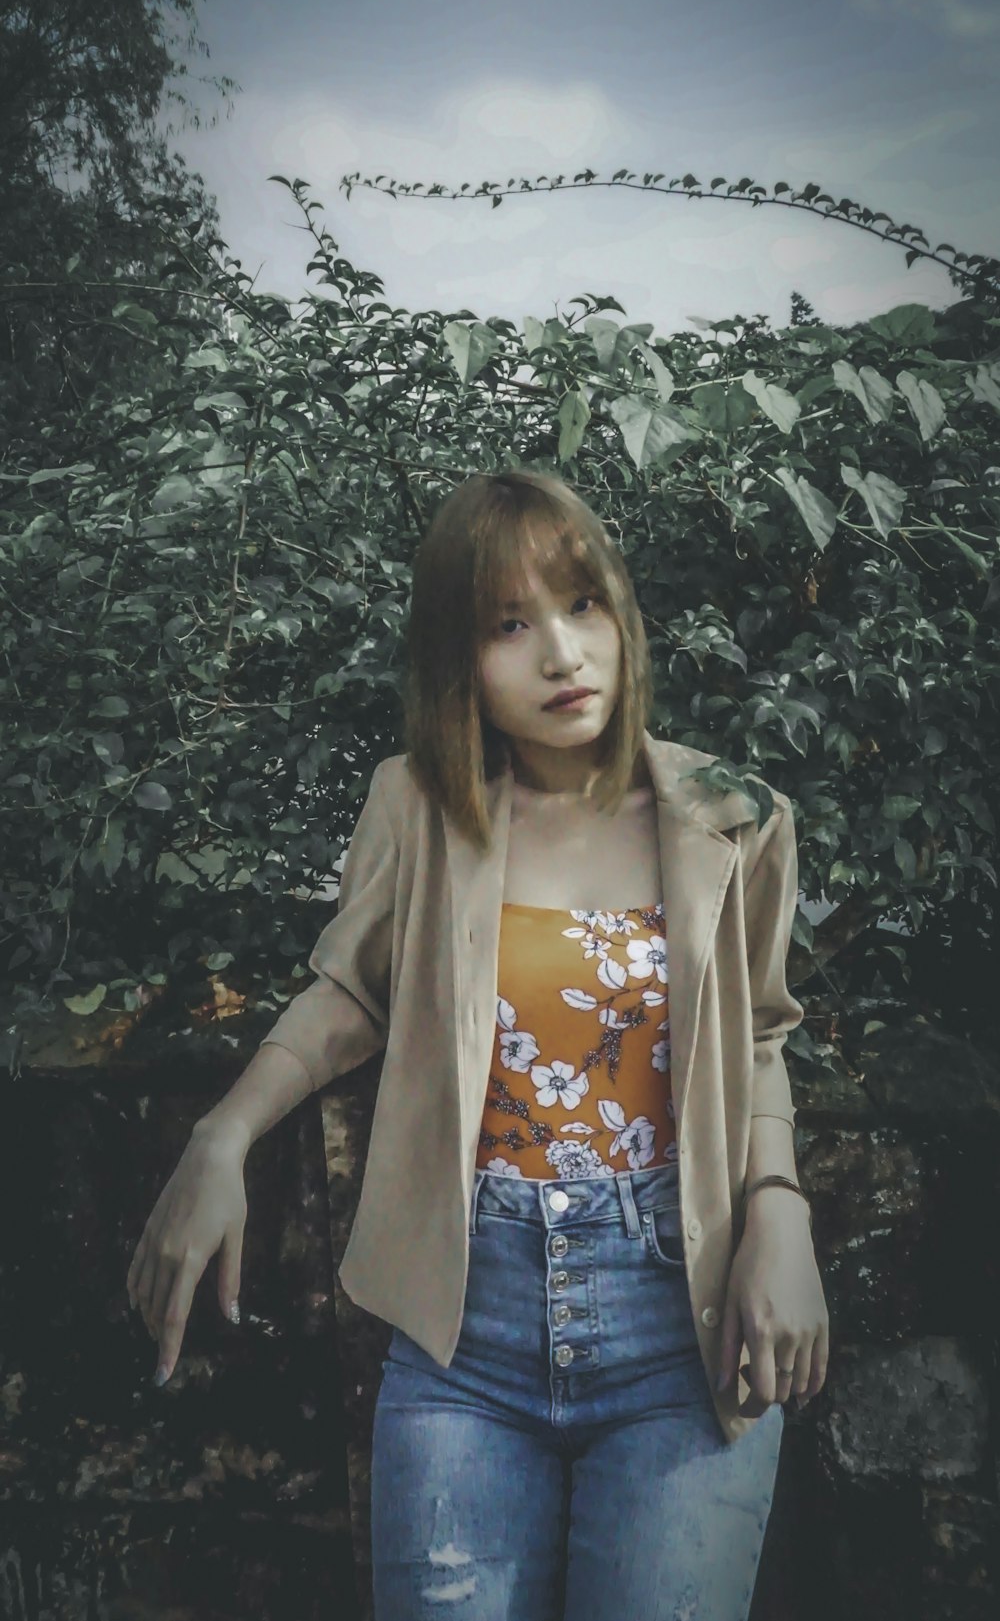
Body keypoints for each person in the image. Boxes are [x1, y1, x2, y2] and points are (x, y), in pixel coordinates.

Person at [128, 466, 829, 1620]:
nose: (561, 652)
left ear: (622, 614)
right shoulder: (418, 806)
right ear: (459, 655)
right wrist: (222, 1136)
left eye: (582, 604)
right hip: (465, 1348)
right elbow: (346, 996)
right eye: (511, 624)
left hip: (683, 1333)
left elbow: (755, 1034)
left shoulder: (731, 815)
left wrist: (781, 1210)